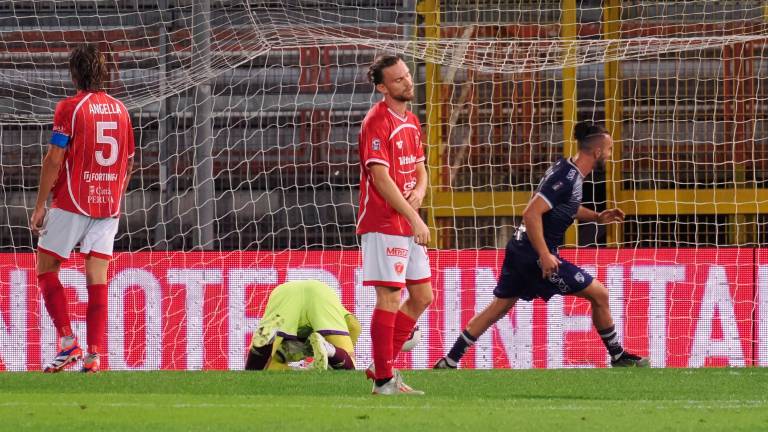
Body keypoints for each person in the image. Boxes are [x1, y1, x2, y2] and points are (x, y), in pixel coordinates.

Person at [434, 121, 649, 369]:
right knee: (599, 294)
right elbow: (531, 213)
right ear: (598, 152)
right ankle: (618, 356)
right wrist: (545, 254)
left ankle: (449, 360)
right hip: (535, 255)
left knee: (499, 307)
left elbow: (565, 207)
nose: (611, 156)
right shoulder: (567, 177)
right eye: (609, 150)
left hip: (520, 248)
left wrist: (597, 217)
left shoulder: (568, 170)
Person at [30, 43, 135, 373]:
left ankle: (67, 342)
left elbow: (54, 158)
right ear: (105, 73)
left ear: (74, 73)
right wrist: (112, 196)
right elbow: (129, 164)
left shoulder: (69, 109)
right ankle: (93, 356)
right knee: (96, 278)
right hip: (109, 205)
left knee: (46, 268)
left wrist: (40, 205)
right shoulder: (122, 110)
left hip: (73, 201)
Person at [357, 54, 433, 395]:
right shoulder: (376, 121)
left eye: (407, 75)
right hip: (384, 221)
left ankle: (382, 363)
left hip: (405, 220)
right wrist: (414, 215)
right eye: (399, 79)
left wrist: (419, 191)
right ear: (382, 87)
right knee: (389, 297)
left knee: (423, 295)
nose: (408, 82)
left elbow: (420, 168)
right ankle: (385, 380)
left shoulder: (412, 122)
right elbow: (380, 178)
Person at [245, 280, 361, 371]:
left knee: (260, 369)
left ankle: (262, 348)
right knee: (348, 367)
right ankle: (328, 349)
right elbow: (354, 326)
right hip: (321, 294)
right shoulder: (348, 321)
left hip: (284, 293)